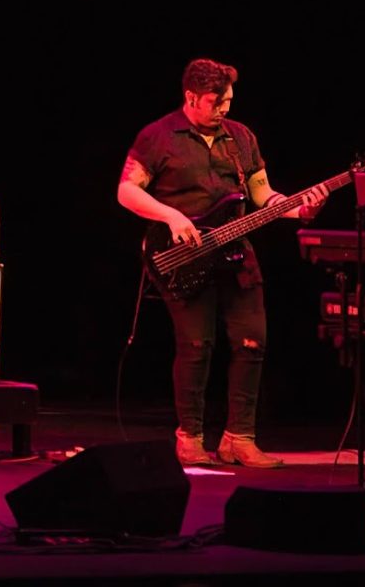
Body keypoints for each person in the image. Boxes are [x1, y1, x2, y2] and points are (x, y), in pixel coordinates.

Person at [116, 58, 332, 468]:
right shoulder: (159, 136)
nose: (225, 109)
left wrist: (298, 210)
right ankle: (190, 437)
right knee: (197, 346)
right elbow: (127, 191)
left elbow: (261, 195)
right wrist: (172, 216)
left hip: (236, 252)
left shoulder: (241, 138)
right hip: (182, 255)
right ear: (191, 97)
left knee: (253, 341)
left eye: (229, 101)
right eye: (217, 102)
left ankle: (239, 439)